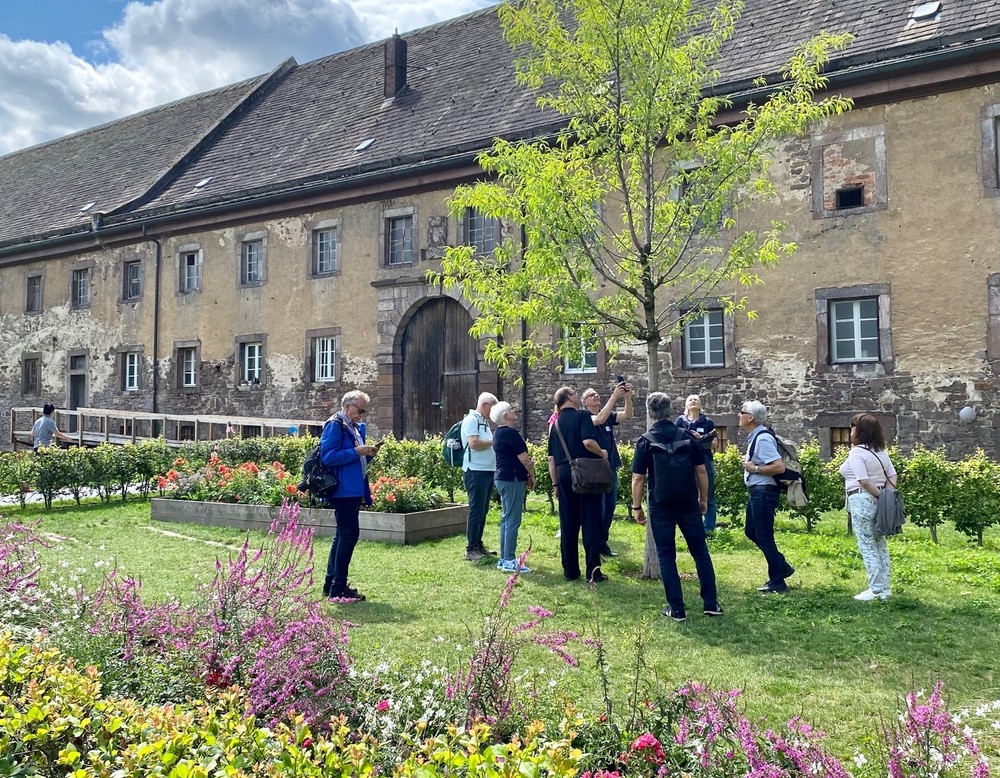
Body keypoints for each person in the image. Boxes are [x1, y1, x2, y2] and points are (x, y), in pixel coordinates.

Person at [631, 392, 722, 621]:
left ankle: (677, 608)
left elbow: (638, 478)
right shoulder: (688, 437)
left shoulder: (645, 440)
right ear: (670, 410)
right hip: (687, 501)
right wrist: (703, 499)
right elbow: (701, 471)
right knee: (700, 551)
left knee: (666, 555)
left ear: (650, 413)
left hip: (660, 503)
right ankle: (711, 603)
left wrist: (636, 507)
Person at [320, 390, 378, 602]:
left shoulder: (351, 427)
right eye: (359, 410)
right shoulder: (335, 425)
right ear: (348, 406)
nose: (361, 415)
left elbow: (354, 460)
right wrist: (357, 452)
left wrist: (367, 455)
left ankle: (332, 584)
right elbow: (328, 457)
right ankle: (338, 588)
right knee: (348, 535)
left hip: (351, 489)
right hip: (343, 490)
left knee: (343, 536)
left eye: (364, 411)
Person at [547, 386, 606, 582]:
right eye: (574, 393)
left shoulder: (554, 424)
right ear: (570, 398)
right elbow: (588, 441)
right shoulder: (582, 416)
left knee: (568, 522)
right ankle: (593, 571)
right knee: (591, 521)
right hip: (584, 473)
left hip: (564, 474)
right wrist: (602, 453)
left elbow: (551, 459)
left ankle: (570, 570)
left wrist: (555, 485)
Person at [739, 400, 795, 593]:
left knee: (764, 536)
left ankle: (777, 581)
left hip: (763, 492)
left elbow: (779, 466)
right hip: (758, 491)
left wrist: (754, 468)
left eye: (741, 412)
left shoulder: (762, 438)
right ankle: (782, 567)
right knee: (751, 531)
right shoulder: (756, 436)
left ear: (751, 418)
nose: (739, 415)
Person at [840, 412, 897, 601]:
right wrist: (885, 496)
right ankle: (885, 588)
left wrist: (878, 496)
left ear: (860, 431)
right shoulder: (881, 452)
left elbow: (863, 480)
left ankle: (875, 589)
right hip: (879, 500)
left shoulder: (857, 452)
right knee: (880, 543)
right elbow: (892, 476)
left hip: (862, 499)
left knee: (867, 544)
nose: (851, 430)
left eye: (853, 427)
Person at [581, 381, 633, 557]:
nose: (596, 396)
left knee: (610, 507)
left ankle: (603, 542)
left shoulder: (608, 415)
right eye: (591, 395)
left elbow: (627, 415)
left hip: (610, 467)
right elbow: (599, 419)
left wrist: (627, 397)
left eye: (596, 394)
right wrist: (615, 395)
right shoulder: (586, 417)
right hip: (595, 470)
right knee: (599, 508)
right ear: (585, 403)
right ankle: (594, 543)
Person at [490, 401, 535, 573]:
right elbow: (525, 459)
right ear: (505, 416)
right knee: (512, 520)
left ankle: (504, 558)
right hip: (512, 478)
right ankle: (508, 559)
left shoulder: (499, 433)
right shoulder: (510, 433)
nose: (514, 411)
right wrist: (531, 474)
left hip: (503, 477)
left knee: (506, 518)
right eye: (510, 409)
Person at [462, 392, 498, 561]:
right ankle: (471, 549)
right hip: (475, 471)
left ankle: (478, 544)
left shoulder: (483, 421)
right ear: (484, 405)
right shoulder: (472, 420)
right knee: (476, 510)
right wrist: (494, 441)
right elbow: (473, 443)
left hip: (486, 471)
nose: (494, 411)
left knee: (482, 510)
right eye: (493, 407)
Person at [674, 394, 718, 533]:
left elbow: (715, 445)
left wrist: (701, 438)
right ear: (686, 405)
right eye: (690, 400)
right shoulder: (680, 421)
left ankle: (708, 529)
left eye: (696, 400)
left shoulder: (707, 422)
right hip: (685, 462)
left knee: (708, 494)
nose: (693, 401)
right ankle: (690, 528)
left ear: (700, 405)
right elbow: (674, 441)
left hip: (704, 460)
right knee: (687, 493)